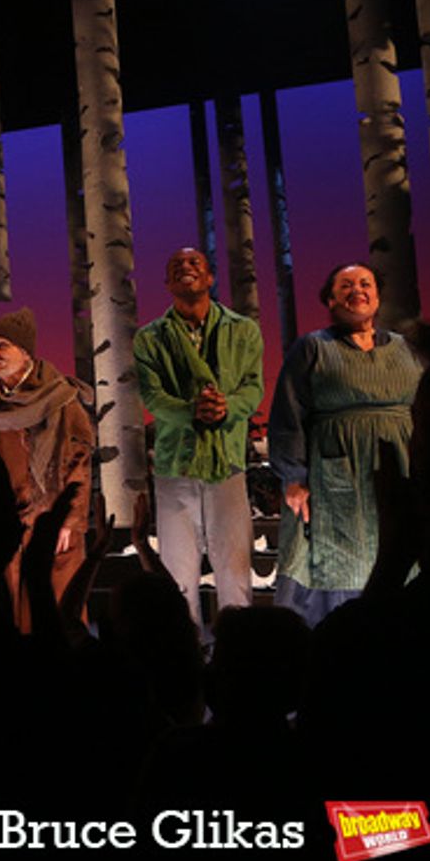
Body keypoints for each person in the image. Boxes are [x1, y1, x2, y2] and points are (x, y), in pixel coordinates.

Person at [268, 263, 423, 626]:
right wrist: (293, 474)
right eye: (346, 285)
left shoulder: (404, 349)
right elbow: (287, 415)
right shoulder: (312, 348)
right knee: (336, 559)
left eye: (366, 283)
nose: (358, 290)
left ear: (378, 295)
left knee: (402, 550)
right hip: (335, 472)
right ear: (330, 299)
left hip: (400, 462)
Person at [133, 247, 264, 631]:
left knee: (234, 568)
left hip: (227, 462)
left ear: (210, 278)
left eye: (195, 264)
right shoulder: (150, 338)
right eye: (176, 266)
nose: (186, 268)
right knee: (178, 574)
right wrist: (193, 411)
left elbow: (253, 388)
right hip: (177, 465)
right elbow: (153, 396)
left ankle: (238, 655)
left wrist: (226, 408)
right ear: (167, 283)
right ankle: (183, 658)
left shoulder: (243, 330)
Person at [0, 307, 95, 632]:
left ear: (25, 351)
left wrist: (69, 521)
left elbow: (78, 463)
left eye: (2, 345)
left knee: (55, 615)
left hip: (50, 521)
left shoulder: (60, 399)